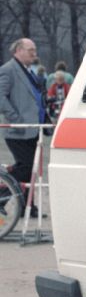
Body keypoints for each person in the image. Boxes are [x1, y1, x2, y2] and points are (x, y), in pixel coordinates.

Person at [0, 39, 46, 204]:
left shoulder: (29, 71)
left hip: (32, 129)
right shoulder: (8, 70)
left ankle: (28, 205)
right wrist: (16, 119)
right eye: (30, 50)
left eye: (35, 49)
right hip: (18, 130)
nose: (34, 53)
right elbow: (1, 97)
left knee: (30, 169)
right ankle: (2, 195)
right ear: (19, 50)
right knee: (26, 167)